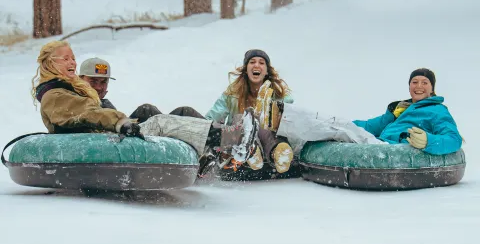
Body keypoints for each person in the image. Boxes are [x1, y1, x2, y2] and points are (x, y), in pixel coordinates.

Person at [32, 41, 259, 177]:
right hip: (101, 142)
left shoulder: (68, 89)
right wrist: (120, 122)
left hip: (104, 136)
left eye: (72, 57)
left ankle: (219, 148)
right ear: (50, 64)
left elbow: (92, 112)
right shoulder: (55, 94)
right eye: (64, 59)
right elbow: (90, 114)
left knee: (163, 111)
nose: (71, 62)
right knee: (161, 122)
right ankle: (233, 138)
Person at [206, 49, 294, 174]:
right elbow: (212, 118)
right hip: (239, 157)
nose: (256, 65)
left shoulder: (279, 97)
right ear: (246, 70)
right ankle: (251, 150)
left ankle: (279, 152)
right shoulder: (232, 95)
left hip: (270, 152)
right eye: (252, 62)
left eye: (261, 63)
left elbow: (293, 122)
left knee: (265, 121)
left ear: (267, 71)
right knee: (242, 119)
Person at [353, 68, 462, 155]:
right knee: (341, 126)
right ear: (409, 87)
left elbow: (454, 139)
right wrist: (349, 124)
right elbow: (369, 126)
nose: (419, 86)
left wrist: (428, 141)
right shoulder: (399, 109)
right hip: (379, 143)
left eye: (424, 83)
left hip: (396, 150)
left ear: (432, 89)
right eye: (414, 82)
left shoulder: (437, 110)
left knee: (342, 129)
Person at [79, 57, 201, 123]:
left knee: (184, 112)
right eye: (93, 81)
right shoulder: (74, 101)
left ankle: (217, 141)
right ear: (80, 79)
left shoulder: (105, 104)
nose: (99, 87)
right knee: (146, 110)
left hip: (129, 134)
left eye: (103, 82)